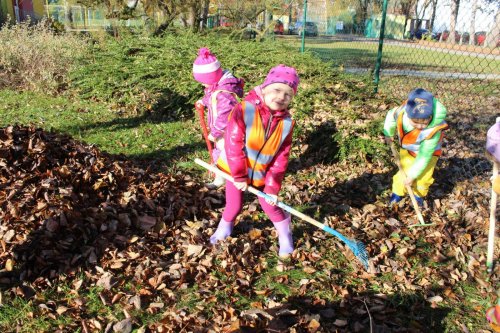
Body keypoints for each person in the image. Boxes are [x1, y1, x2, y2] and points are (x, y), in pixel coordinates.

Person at [210, 64, 299, 260]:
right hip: (235, 171)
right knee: (233, 205)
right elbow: (234, 144)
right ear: (265, 88)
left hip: (261, 174)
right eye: (277, 90)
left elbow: (281, 158)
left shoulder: (286, 123)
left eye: (288, 94)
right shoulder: (245, 109)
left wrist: (272, 187)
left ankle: (285, 234)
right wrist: (239, 175)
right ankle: (224, 229)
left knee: (270, 205)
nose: (281, 97)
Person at [383, 88, 449, 207]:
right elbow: (390, 116)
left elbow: (424, 157)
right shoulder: (401, 113)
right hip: (408, 150)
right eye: (415, 122)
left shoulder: (432, 131)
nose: (420, 126)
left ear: (431, 116)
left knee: (422, 179)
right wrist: (388, 133)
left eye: (425, 122)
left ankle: (418, 199)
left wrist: (413, 175)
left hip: (429, 154)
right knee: (402, 176)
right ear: (408, 115)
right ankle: (396, 196)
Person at [193, 47, 244, 189]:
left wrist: (215, 132)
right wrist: (203, 102)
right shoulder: (218, 86)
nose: (203, 85)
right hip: (222, 132)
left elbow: (226, 116)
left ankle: (234, 179)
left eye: (203, 82)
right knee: (219, 153)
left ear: (211, 77)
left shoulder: (224, 93)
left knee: (225, 155)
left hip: (227, 132)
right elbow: (211, 94)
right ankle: (221, 177)